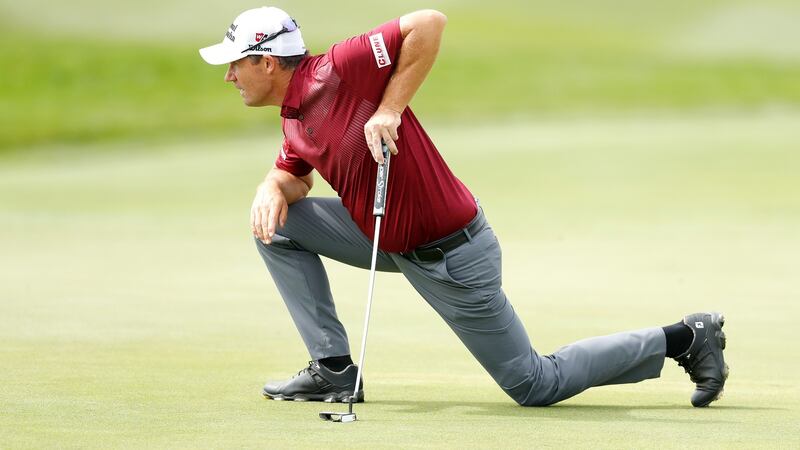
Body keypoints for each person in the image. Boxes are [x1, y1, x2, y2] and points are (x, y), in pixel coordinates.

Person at [199, 6, 728, 407]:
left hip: (452, 254)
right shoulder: (293, 115)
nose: (229, 76)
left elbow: (428, 22)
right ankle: (333, 369)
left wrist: (389, 108)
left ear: (267, 61)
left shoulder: (340, 68)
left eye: (235, 65)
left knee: (533, 384)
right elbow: (294, 174)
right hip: (386, 239)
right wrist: (271, 185)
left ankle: (685, 337)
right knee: (276, 226)